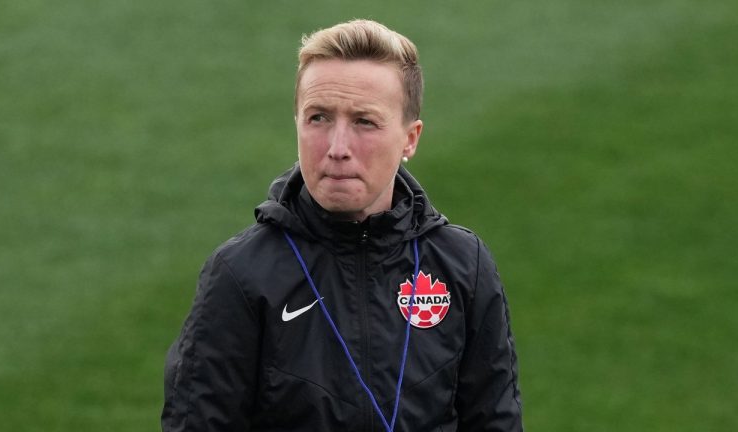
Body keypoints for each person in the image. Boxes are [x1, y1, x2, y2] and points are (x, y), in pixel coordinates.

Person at [162, 19, 523, 432]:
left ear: (410, 138)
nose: (337, 149)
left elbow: (495, 420)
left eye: (364, 122)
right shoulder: (241, 275)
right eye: (318, 118)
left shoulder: (462, 266)